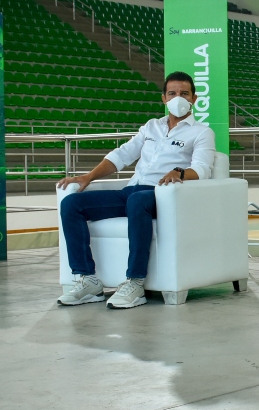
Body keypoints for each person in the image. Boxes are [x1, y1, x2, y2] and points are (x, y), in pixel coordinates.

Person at [55, 72, 215, 310]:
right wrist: (88, 176)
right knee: (72, 204)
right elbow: (122, 155)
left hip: (163, 195)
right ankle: (87, 280)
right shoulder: (151, 127)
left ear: (194, 98)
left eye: (184, 93)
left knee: (138, 201)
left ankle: (135, 283)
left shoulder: (202, 132)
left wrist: (179, 172)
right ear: (163, 98)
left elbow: (203, 169)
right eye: (172, 93)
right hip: (132, 191)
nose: (178, 98)